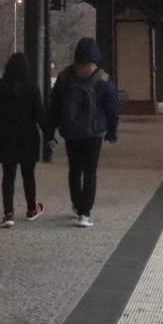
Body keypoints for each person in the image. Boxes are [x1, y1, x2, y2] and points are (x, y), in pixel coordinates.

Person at [48, 37, 119, 228]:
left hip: (70, 131)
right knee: (90, 171)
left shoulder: (64, 77)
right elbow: (112, 108)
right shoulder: (103, 78)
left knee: (74, 169)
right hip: (94, 132)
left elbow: (54, 106)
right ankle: (85, 213)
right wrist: (112, 131)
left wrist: (50, 132)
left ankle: (77, 204)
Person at [0, 53, 49, 228]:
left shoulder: (0, 88)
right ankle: (31, 209)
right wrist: (49, 134)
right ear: (26, 70)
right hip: (28, 137)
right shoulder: (32, 88)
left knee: (8, 175)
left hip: (6, 136)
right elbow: (39, 115)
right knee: (28, 175)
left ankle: (8, 215)